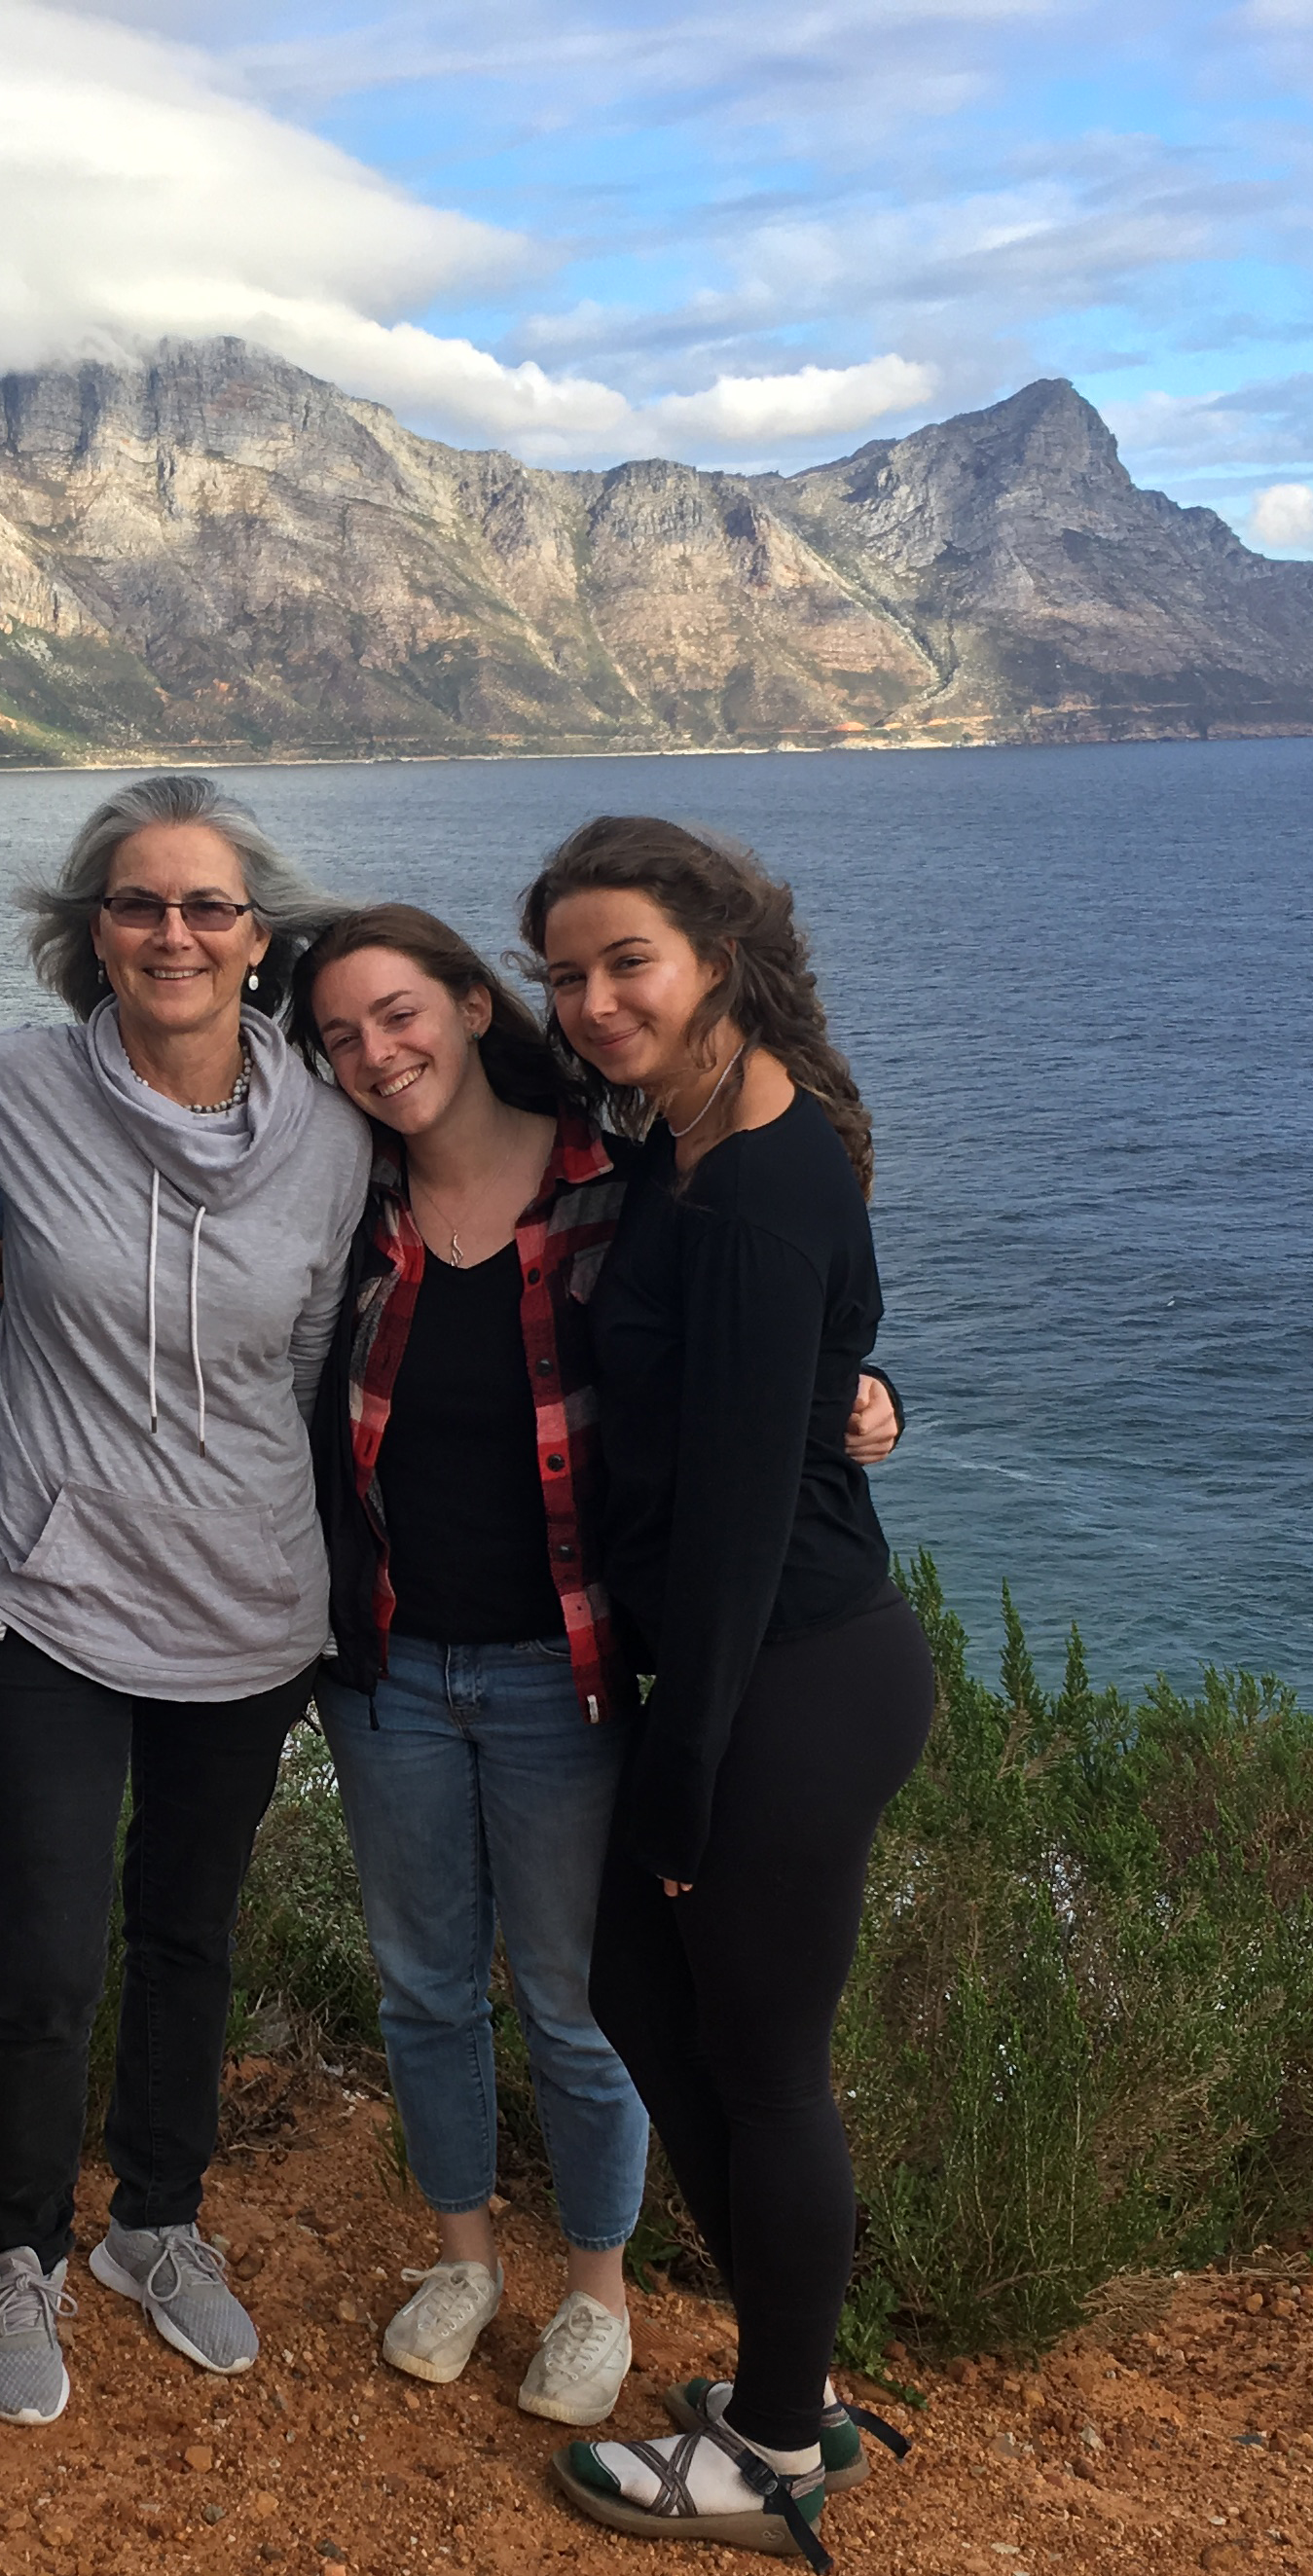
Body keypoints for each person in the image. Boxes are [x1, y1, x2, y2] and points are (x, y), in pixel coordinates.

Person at [294, 908, 902, 2430]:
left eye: (401, 1013)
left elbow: (760, 1333)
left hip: (563, 1668)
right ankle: (461, 2262)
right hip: (383, 1665)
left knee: (580, 2000)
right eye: (338, 1035)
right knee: (427, 1988)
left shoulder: (618, 1186)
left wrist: (873, 1389)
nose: (378, 1054)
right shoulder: (336, 1198)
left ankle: (598, 2292)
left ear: (473, 1008)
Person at [0, 773, 369, 2427]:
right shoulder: (0, 1082)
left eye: (206, 907)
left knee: (190, 1935)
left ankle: (157, 2224)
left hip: (250, 1603)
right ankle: (17, 2249)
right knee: (44, 1949)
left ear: (259, 939)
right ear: (88, 932)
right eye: (136, 903)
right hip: (39, 1589)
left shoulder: (337, 1137)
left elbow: (338, 1363)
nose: (171, 932)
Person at [525, 816, 937, 2574]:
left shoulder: (760, 1180)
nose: (598, 1000)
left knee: (762, 2064)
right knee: (640, 1989)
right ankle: (791, 2369)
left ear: (718, 955)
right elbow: (790, 1391)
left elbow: (752, 1514)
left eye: (629, 962)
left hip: (782, 1674)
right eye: (566, 973)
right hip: (743, 1671)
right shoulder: (695, 1142)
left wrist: (683, 1767)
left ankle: (776, 2440)